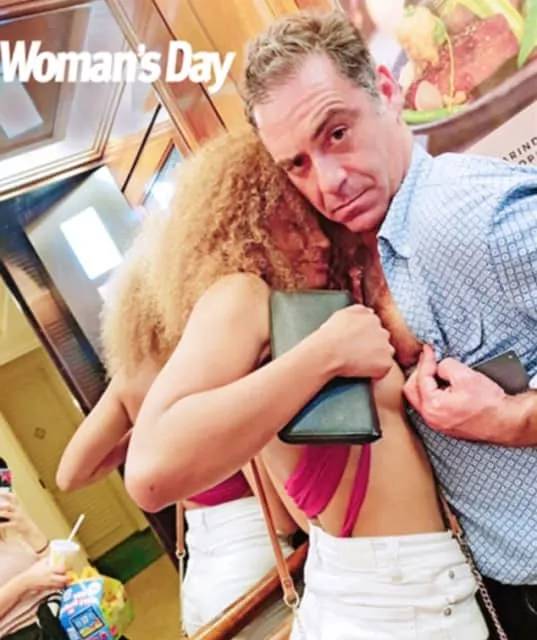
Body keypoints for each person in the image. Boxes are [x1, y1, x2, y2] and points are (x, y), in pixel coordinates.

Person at [121, 128, 488, 638]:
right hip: (395, 605)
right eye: (292, 224)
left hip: (390, 587)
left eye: (315, 221)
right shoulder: (242, 294)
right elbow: (148, 473)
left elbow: (295, 509)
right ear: (246, 225)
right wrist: (326, 355)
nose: (317, 241)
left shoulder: (291, 312)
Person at [241, 8, 537, 638]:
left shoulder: (463, 218)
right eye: (298, 164)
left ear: (386, 89)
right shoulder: (381, 242)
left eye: (337, 133)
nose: (328, 182)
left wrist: (513, 418)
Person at [55, 186, 298, 638]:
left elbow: (70, 474)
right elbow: (282, 516)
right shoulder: (216, 361)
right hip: (252, 549)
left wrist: (144, 435)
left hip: (198, 570)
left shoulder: (130, 379)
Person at [0, 491, 69, 640]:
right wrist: (26, 582)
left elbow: (59, 572)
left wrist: (30, 530)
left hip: (63, 616)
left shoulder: (11, 536)